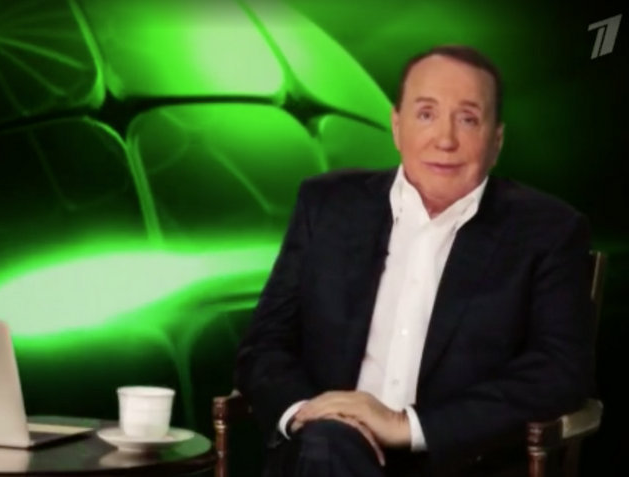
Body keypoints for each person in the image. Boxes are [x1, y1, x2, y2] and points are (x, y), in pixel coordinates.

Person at [234, 44, 594, 477]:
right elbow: (264, 345)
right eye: (426, 114)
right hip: (323, 452)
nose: (445, 140)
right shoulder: (327, 205)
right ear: (396, 125)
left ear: (496, 141)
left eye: (467, 119)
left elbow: (559, 372)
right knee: (328, 446)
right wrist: (307, 413)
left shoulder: (547, 230)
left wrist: (408, 426)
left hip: (457, 463)